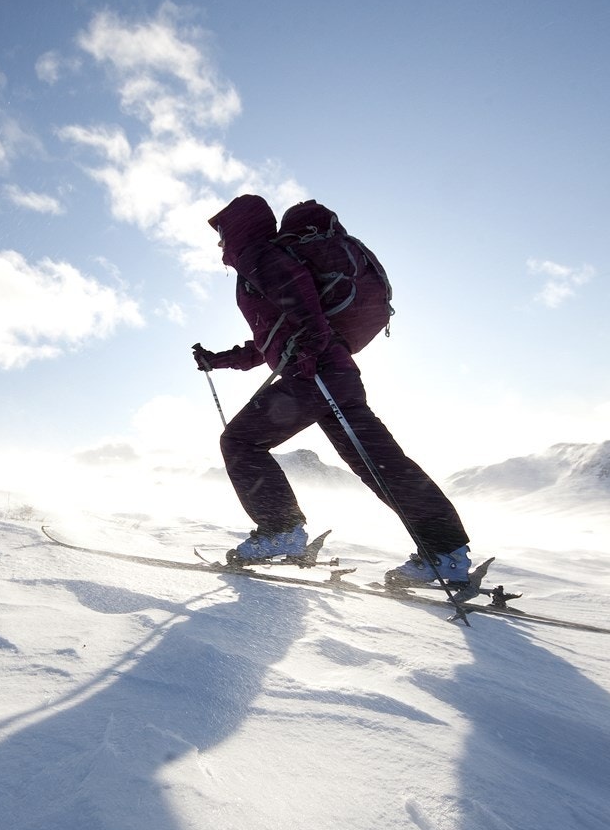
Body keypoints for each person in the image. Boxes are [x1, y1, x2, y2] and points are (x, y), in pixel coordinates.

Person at [192, 193, 473, 588]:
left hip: (314, 375)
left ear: (239, 227)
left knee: (240, 442)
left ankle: (281, 531)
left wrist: (309, 348)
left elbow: (300, 297)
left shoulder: (260, 255)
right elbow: (271, 338)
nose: (220, 243)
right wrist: (219, 360)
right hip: (333, 376)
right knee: (380, 464)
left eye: (222, 233)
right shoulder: (265, 259)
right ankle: (446, 552)